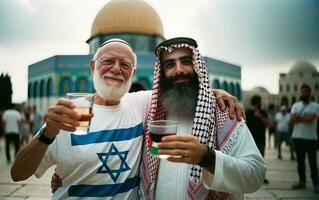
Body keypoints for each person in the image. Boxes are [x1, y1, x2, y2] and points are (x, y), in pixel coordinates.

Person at [11, 38, 243, 199]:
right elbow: (18, 173)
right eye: (108, 61)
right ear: (93, 67)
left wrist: (215, 93)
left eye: (124, 65)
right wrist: (47, 134)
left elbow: (183, 88)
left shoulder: (141, 104)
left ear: (133, 73)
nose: (115, 69)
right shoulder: (69, 114)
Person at [139, 37, 266, 199]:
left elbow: (255, 174)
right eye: (170, 64)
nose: (179, 70)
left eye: (185, 61)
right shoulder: (151, 112)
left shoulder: (223, 111)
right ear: (162, 73)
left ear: (198, 66)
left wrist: (207, 158)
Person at [290, 84, 319, 193]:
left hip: (311, 138)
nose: (304, 93)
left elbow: (311, 119)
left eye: (306, 91)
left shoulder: (315, 106)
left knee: (312, 162)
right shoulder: (296, 105)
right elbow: (292, 119)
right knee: (300, 161)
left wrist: (299, 118)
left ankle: (316, 184)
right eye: (302, 91)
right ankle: (302, 182)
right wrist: (302, 118)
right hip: (297, 137)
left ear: (309, 93)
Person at [245, 95, 269, 184]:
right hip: (251, 140)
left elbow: (267, 123)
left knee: (261, 158)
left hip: (261, 139)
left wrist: (259, 116)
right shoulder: (248, 112)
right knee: (250, 158)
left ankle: (261, 177)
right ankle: (250, 177)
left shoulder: (262, 112)